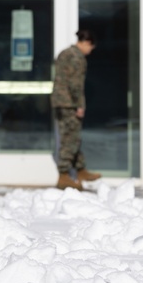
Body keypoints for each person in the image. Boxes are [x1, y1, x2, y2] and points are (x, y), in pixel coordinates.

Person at [51, 30, 100, 190]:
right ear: (86, 43)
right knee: (70, 138)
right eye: (91, 48)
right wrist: (80, 104)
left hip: (60, 101)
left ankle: (80, 169)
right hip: (69, 103)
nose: (90, 51)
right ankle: (64, 175)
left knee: (72, 136)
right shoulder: (77, 57)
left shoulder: (64, 53)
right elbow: (75, 84)